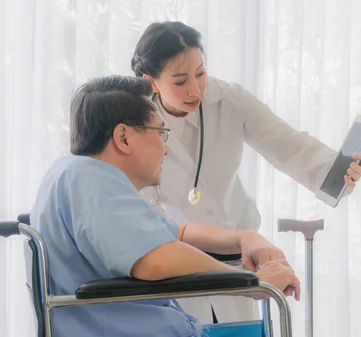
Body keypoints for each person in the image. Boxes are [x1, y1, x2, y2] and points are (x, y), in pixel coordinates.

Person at [131, 21, 361, 323]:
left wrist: (339, 173)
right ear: (151, 81)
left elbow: (287, 143)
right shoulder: (134, 120)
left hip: (236, 257)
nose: (195, 89)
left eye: (201, 73)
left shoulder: (229, 99)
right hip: (175, 262)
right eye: (179, 81)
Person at [29, 75, 301, 337]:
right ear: (123, 137)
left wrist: (245, 238)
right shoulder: (89, 178)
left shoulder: (77, 177)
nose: (165, 148)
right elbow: (154, 261)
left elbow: (177, 234)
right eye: (160, 133)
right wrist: (248, 283)